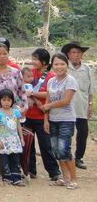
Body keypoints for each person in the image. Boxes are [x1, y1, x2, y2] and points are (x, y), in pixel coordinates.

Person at [22, 48, 61, 180]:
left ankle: (54, 172)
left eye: (35, 59)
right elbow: (22, 87)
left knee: (45, 146)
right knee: (28, 145)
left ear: (44, 62)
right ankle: (30, 170)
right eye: (32, 59)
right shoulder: (29, 73)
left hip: (42, 116)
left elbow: (50, 93)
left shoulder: (51, 76)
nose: (33, 62)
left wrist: (32, 94)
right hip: (28, 115)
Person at [43, 53, 79, 190]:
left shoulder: (70, 80)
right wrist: (46, 119)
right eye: (56, 64)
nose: (59, 67)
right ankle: (65, 178)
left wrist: (49, 106)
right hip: (53, 119)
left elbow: (65, 101)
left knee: (64, 149)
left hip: (66, 119)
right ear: (52, 65)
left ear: (67, 65)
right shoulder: (51, 81)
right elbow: (47, 99)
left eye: (62, 64)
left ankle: (74, 178)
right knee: (56, 150)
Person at [62, 41, 93, 169]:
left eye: (79, 52)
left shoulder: (86, 69)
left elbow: (91, 89)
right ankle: (65, 156)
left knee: (83, 133)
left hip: (82, 106)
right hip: (66, 106)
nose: (76, 55)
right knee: (66, 133)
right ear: (68, 54)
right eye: (73, 52)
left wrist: (90, 104)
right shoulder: (64, 67)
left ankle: (78, 158)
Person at [0, 89, 25, 186]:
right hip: (3, 140)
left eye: (9, 100)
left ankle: (16, 178)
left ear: (12, 101)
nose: (6, 102)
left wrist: (21, 138)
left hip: (14, 139)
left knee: (15, 158)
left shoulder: (16, 112)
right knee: (4, 159)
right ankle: (7, 177)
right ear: (0, 101)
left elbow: (19, 125)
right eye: (4, 100)